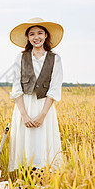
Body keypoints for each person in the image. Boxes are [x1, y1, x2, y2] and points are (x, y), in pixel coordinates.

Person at [8, 17, 64, 172]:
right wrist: (24, 115)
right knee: (25, 148)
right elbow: (16, 88)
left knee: (42, 146)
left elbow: (54, 90)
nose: (36, 37)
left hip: (44, 107)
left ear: (46, 35)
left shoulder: (55, 59)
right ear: (28, 37)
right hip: (24, 107)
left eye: (40, 33)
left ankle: (42, 186)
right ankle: (25, 185)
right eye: (32, 34)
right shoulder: (20, 57)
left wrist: (42, 115)